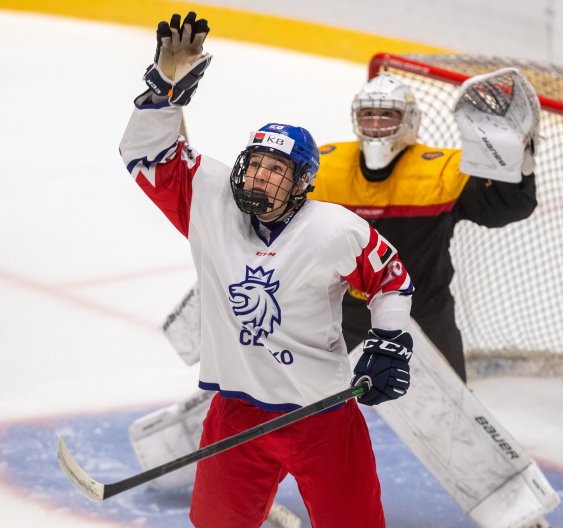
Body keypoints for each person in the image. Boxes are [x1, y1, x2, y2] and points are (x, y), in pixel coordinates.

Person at [119, 12, 415, 528]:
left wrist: (390, 341)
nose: (259, 174)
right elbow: (143, 153)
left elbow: (391, 279)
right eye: (254, 162)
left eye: (275, 169)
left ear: (302, 182)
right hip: (235, 413)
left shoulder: (334, 229)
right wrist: (165, 86)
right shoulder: (210, 202)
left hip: (321, 413)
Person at [309, 71, 539, 382]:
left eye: (387, 115)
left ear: (410, 120)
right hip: (343, 313)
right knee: (315, 401)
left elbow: (503, 210)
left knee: (452, 415)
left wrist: (518, 159)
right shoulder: (325, 166)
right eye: (368, 115)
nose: (376, 125)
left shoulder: (441, 171)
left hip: (424, 316)